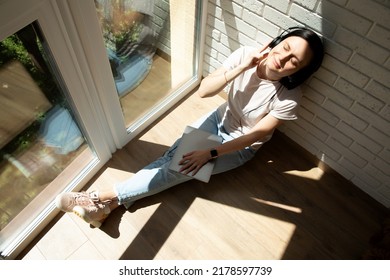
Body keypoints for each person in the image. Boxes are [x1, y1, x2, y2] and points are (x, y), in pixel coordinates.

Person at [56, 27, 324, 228]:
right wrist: (243, 67)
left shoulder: (290, 97)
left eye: (295, 61)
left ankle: (100, 197)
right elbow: (205, 92)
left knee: (178, 168)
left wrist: (210, 153)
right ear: (277, 41)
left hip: (239, 146)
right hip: (218, 118)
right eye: (286, 47)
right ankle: (108, 207)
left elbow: (257, 134)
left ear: (298, 71)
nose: (284, 58)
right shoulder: (246, 55)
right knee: (172, 158)